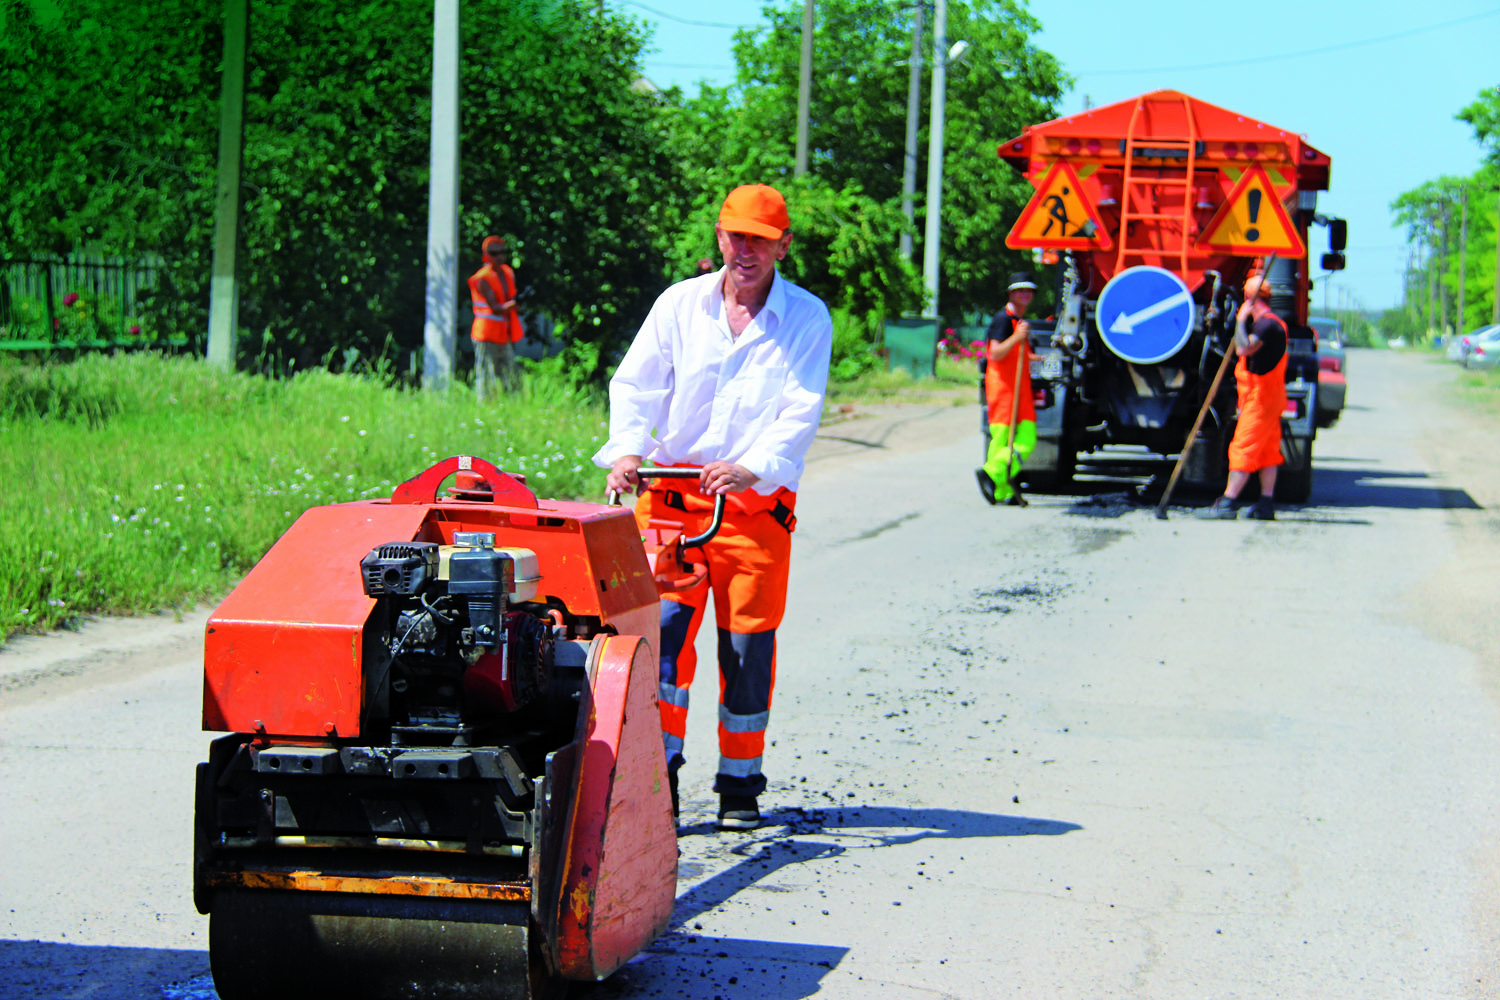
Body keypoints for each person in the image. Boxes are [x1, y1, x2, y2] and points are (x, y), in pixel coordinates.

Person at [595, 184, 833, 832]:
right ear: (719, 236)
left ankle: (739, 788)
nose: (745, 250)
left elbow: (799, 410)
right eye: (735, 235)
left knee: (746, 650)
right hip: (671, 506)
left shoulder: (807, 319)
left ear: (784, 245)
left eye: (759, 239)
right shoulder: (678, 305)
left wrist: (752, 465)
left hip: (754, 509)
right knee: (661, 650)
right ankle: (658, 780)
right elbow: (637, 384)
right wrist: (625, 451)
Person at [1201, 269, 1287, 521]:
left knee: (1243, 448)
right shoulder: (1274, 323)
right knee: (1268, 452)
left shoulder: (1268, 324)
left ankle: (1227, 503)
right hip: (1268, 396)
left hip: (1260, 399)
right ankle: (1266, 503)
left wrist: (1240, 321)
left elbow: (1243, 348)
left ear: (1249, 299)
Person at [975, 272, 1038, 506]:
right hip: (1003, 388)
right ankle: (994, 477)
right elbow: (995, 353)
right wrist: (1017, 337)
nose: (1026, 294)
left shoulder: (1017, 321)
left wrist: (1036, 357)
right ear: (1011, 293)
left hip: (1018, 388)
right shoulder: (1003, 320)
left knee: (1022, 437)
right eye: (1020, 290)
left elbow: (1017, 355)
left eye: (1029, 290)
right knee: (1003, 439)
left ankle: (999, 485)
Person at [467, 236, 522, 399]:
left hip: (503, 334)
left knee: (512, 375)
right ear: (486, 255)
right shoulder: (482, 278)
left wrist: (518, 301)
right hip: (485, 335)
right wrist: (515, 303)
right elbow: (496, 308)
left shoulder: (508, 273)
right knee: (486, 376)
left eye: (502, 252)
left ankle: (516, 407)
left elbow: (511, 299)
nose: (499, 257)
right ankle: (484, 410)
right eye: (494, 253)